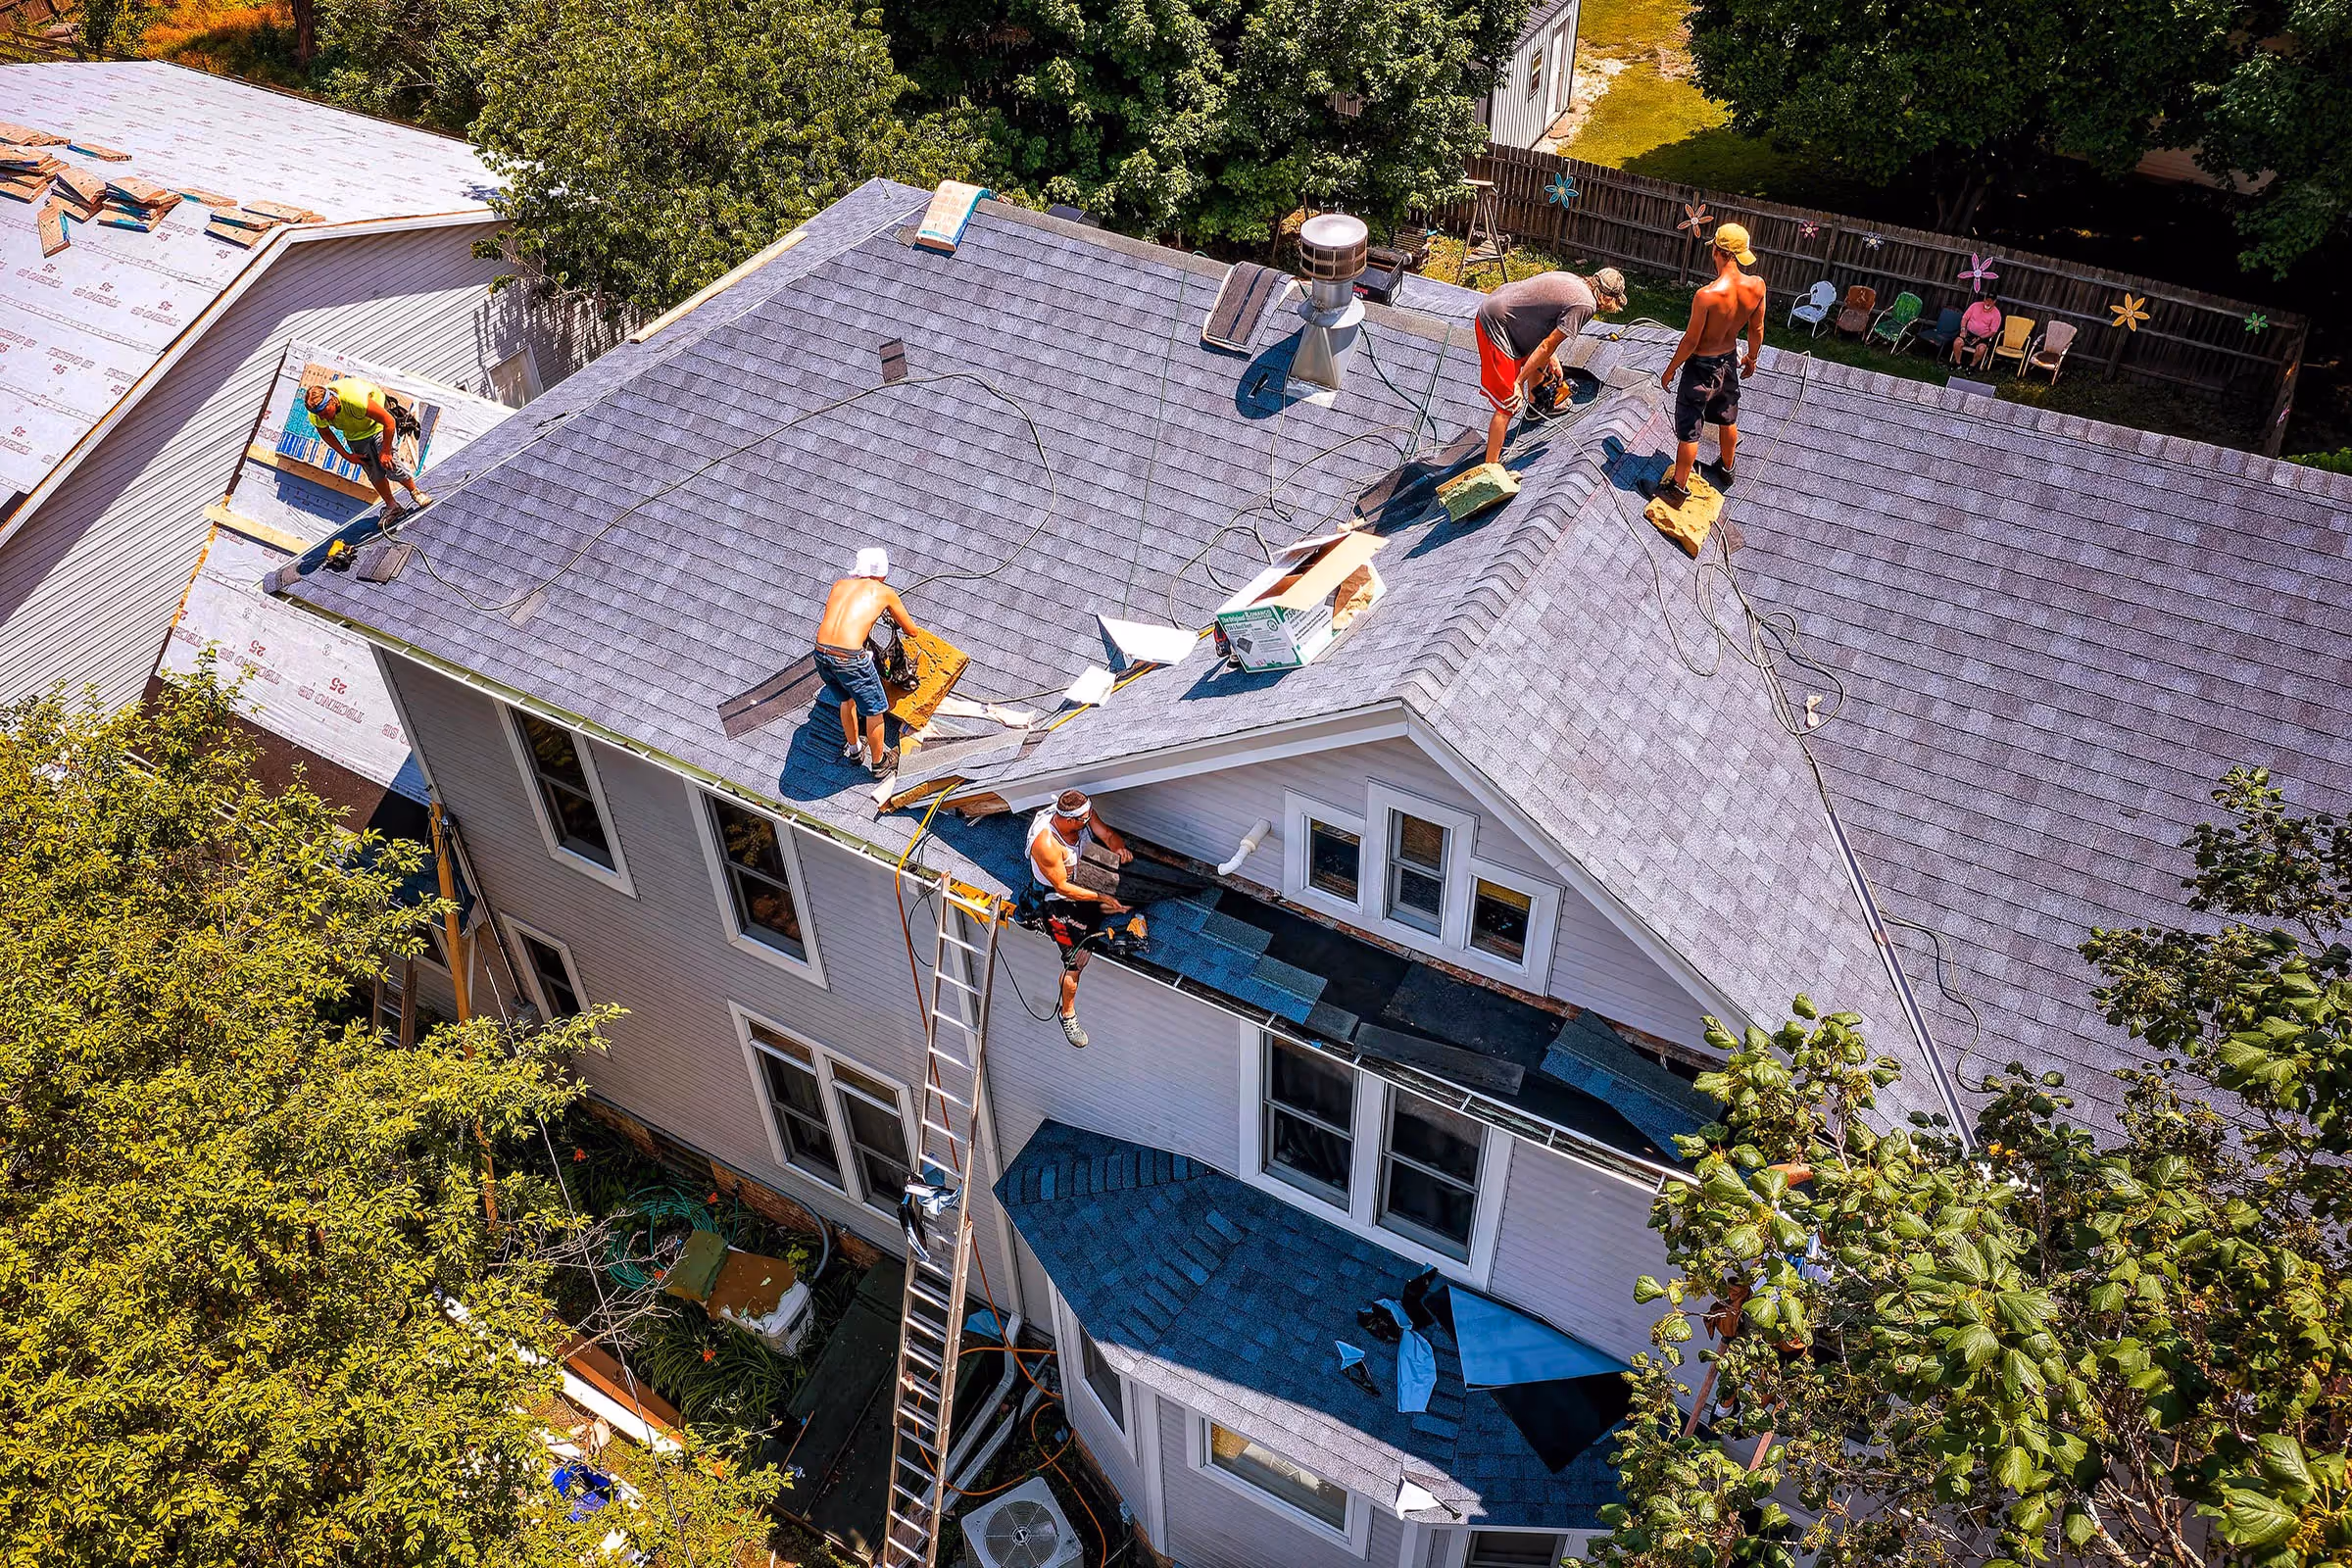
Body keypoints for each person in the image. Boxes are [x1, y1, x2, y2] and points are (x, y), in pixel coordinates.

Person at [1647, 222, 1766, 506]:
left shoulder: (1707, 295)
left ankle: (1677, 490)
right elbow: (1757, 329)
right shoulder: (1757, 285)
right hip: (1729, 362)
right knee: (1728, 416)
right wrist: (1752, 358)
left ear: (1719, 252)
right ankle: (1727, 470)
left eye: (1714, 250)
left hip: (1701, 367)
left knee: (1690, 430)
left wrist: (1671, 368)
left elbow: (1690, 341)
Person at [1474, 266, 1630, 466]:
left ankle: (1536, 406)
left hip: (1508, 310)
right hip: (1498, 323)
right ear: (1607, 298)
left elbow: (1543, 323)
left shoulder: (1575, 280)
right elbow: (1547, 345)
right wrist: (1518, 382)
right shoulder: (1586, 305)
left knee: (1543, 362)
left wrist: (1553, 360)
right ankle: (1489, 470)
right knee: (1509, 403)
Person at [1026, 789, 1132, 1048]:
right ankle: (1068, 1014)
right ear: (1070, 820)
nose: (1088, 821)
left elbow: (1105, 833)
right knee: (1076, 959)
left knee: (1128, 898)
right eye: (1084, 820)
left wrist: (1118, 846)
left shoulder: (1081, 815)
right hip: (1055, 899)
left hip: (1082, 874)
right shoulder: (1047, 844)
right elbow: (1062, 887)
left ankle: (1104, 904)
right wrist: (1101, 898)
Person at [813, 548, 918, 776]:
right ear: (882, 573)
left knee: (847, 699)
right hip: (849, 657)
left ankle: (854, 750)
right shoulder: (884, 592)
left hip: (821, 654)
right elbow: (912, 631)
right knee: (875, 709)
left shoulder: (840, 585)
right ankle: (880, 763)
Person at [302, 376, 432, 517]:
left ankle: (416, 492)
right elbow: (326, 433)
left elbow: (389, 421)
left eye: (326, 413)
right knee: (373, 471)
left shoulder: (354, 399)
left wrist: (386, 451)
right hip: (356, 434)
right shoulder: (316, 414)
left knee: (390, 463)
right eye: (320, 416)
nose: (323, 418)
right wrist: (347, 455)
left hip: (379, 425)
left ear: (332, 400)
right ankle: (392, 506)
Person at [1953, 296, 2003, 369]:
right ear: (1984, 299)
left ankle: (1971, 366)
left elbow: (1993, 331)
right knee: (1957, 342)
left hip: (1983, 337)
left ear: (1994, 301)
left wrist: (1980, 338)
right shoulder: (1975, 305)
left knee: (1981, 349)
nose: (1988, 303)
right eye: (1987, 300)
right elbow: (1964, 318)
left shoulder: (1996, 314)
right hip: (1969, 333)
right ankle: (1957, 363)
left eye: (1991, 301)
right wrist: (1963, 330)